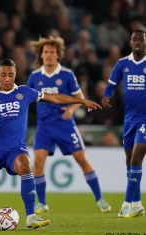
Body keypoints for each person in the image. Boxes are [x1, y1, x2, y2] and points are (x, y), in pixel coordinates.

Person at [0, 58, 102, 229]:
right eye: (3, 75)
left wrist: (81, 101)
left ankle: (31, 217)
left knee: (25, 164)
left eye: (10, 75)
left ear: (15, 75)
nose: (7, 79)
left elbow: (54, 98)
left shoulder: (25, 92)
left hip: (15, 150)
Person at [27, 36, 111, 214]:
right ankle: (42, 203)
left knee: (81, 159)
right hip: (44, 126)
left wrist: (71, 110)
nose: (49, 55)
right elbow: (27, 99)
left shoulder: (66, 75)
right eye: (46, 52)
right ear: (41, 55)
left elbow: (79, 98)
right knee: (38, 161)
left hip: (65, 125)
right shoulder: (34, 77)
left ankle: (100, 198)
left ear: (58, 55)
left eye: (52, 52)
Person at [102, 29, 146, 218]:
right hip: (129, 119)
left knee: (137, 158)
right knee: (129, 162)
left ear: (145, 43)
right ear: (130, 43)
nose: (138, 42)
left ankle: (127, 203)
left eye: (141, 39)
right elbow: (111, 85)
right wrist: (106, 95)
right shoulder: (122, 64)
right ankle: (137, 204)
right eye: (135, 39)